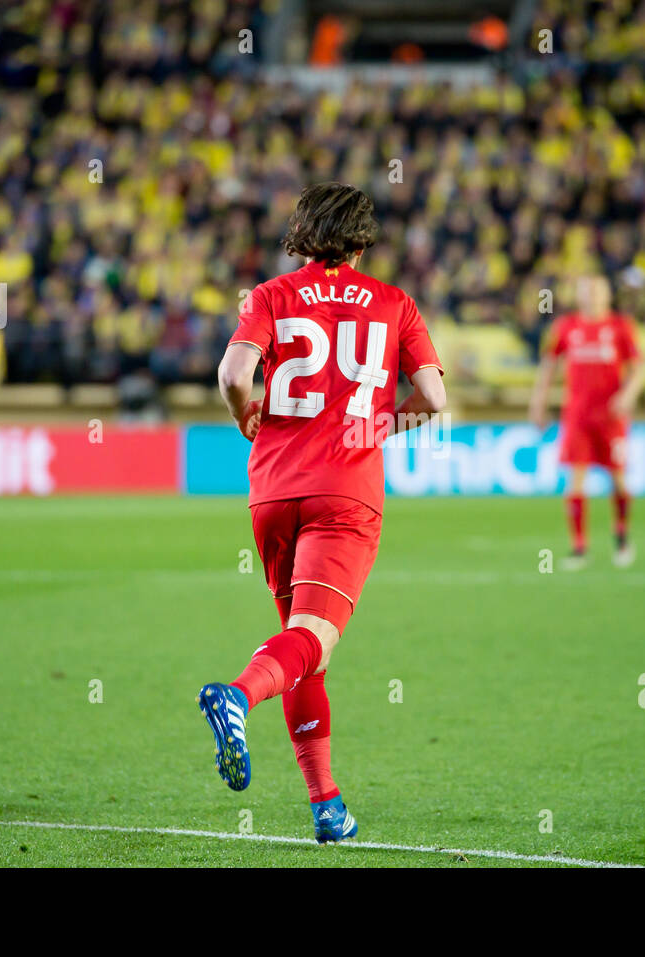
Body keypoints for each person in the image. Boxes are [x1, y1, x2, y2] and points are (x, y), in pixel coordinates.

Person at [197, 183, 445, 842]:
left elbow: (231, 374)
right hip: (346, 492)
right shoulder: (394, 303)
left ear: (300, 235)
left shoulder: (270, 297)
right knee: (312, 640)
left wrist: (245, 413)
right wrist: (379, 428)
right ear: (362, 241)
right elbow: (435, 397)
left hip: (273, 491)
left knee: (305, 649)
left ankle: (326, 804)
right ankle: (237, 695)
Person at [529, 274, 645, 568]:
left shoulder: (620, 327)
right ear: (578, 296)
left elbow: (639, 369)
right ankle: (579, 547)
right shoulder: (566, 327)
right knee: (575, 480)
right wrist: (538, 403)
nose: (592, 296)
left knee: (618, 479)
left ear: (607, 295)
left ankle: (621, 534)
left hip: (610, 418)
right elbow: (548, 366)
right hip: (577, 417)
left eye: (597, 291)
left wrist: (628, 395)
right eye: (586, 291)